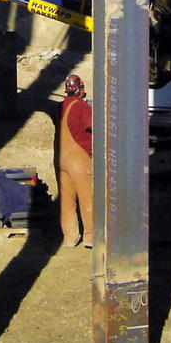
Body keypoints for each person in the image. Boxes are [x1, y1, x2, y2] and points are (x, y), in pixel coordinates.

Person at [56, 74, 94, 248]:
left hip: (62, 160)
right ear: (80, 90)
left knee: (67, 201)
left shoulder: (63, 105)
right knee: (88, 199)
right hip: (78, 162)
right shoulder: (81, 107)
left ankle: (70, 238)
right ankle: (91, 238)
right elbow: (92, 127)